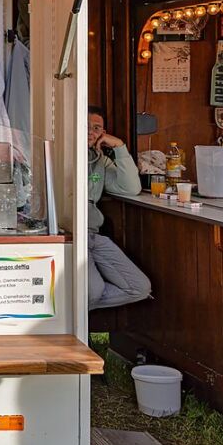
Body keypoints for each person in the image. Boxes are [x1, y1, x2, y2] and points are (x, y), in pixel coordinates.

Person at [87, 104, 151, 310]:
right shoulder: (60, 153)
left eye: (97, 128)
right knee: (92, 291)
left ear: (103, 134)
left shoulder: (100, 161)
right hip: (72, 237)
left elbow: (131, 188)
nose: (90, 131)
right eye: (85, 125)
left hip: (93, 235)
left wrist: (120, 147)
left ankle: (75, 303)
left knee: (139, 287)